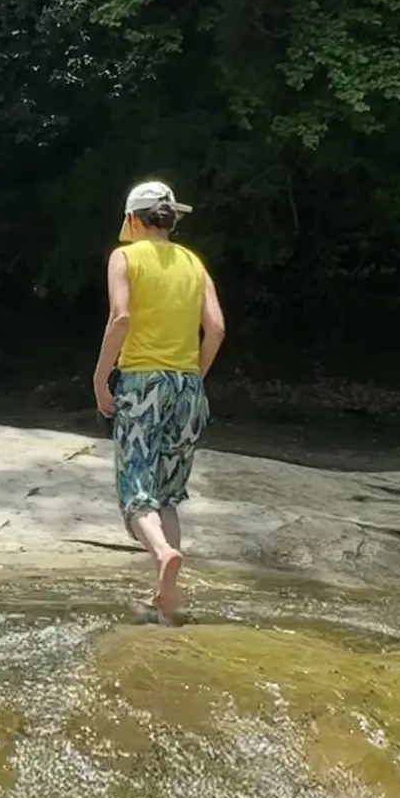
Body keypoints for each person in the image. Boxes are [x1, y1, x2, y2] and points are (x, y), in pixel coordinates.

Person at [92, 181, 225, 623]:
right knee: (167, 495)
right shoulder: (193, 262)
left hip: (141, 382)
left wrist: (100, 377)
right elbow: (217, 328)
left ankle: (164, 552)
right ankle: (166, 602)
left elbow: (122, 316)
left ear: (134, 218)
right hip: (187, 386)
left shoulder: (124, 257)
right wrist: (193, 377)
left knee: (137, 493)